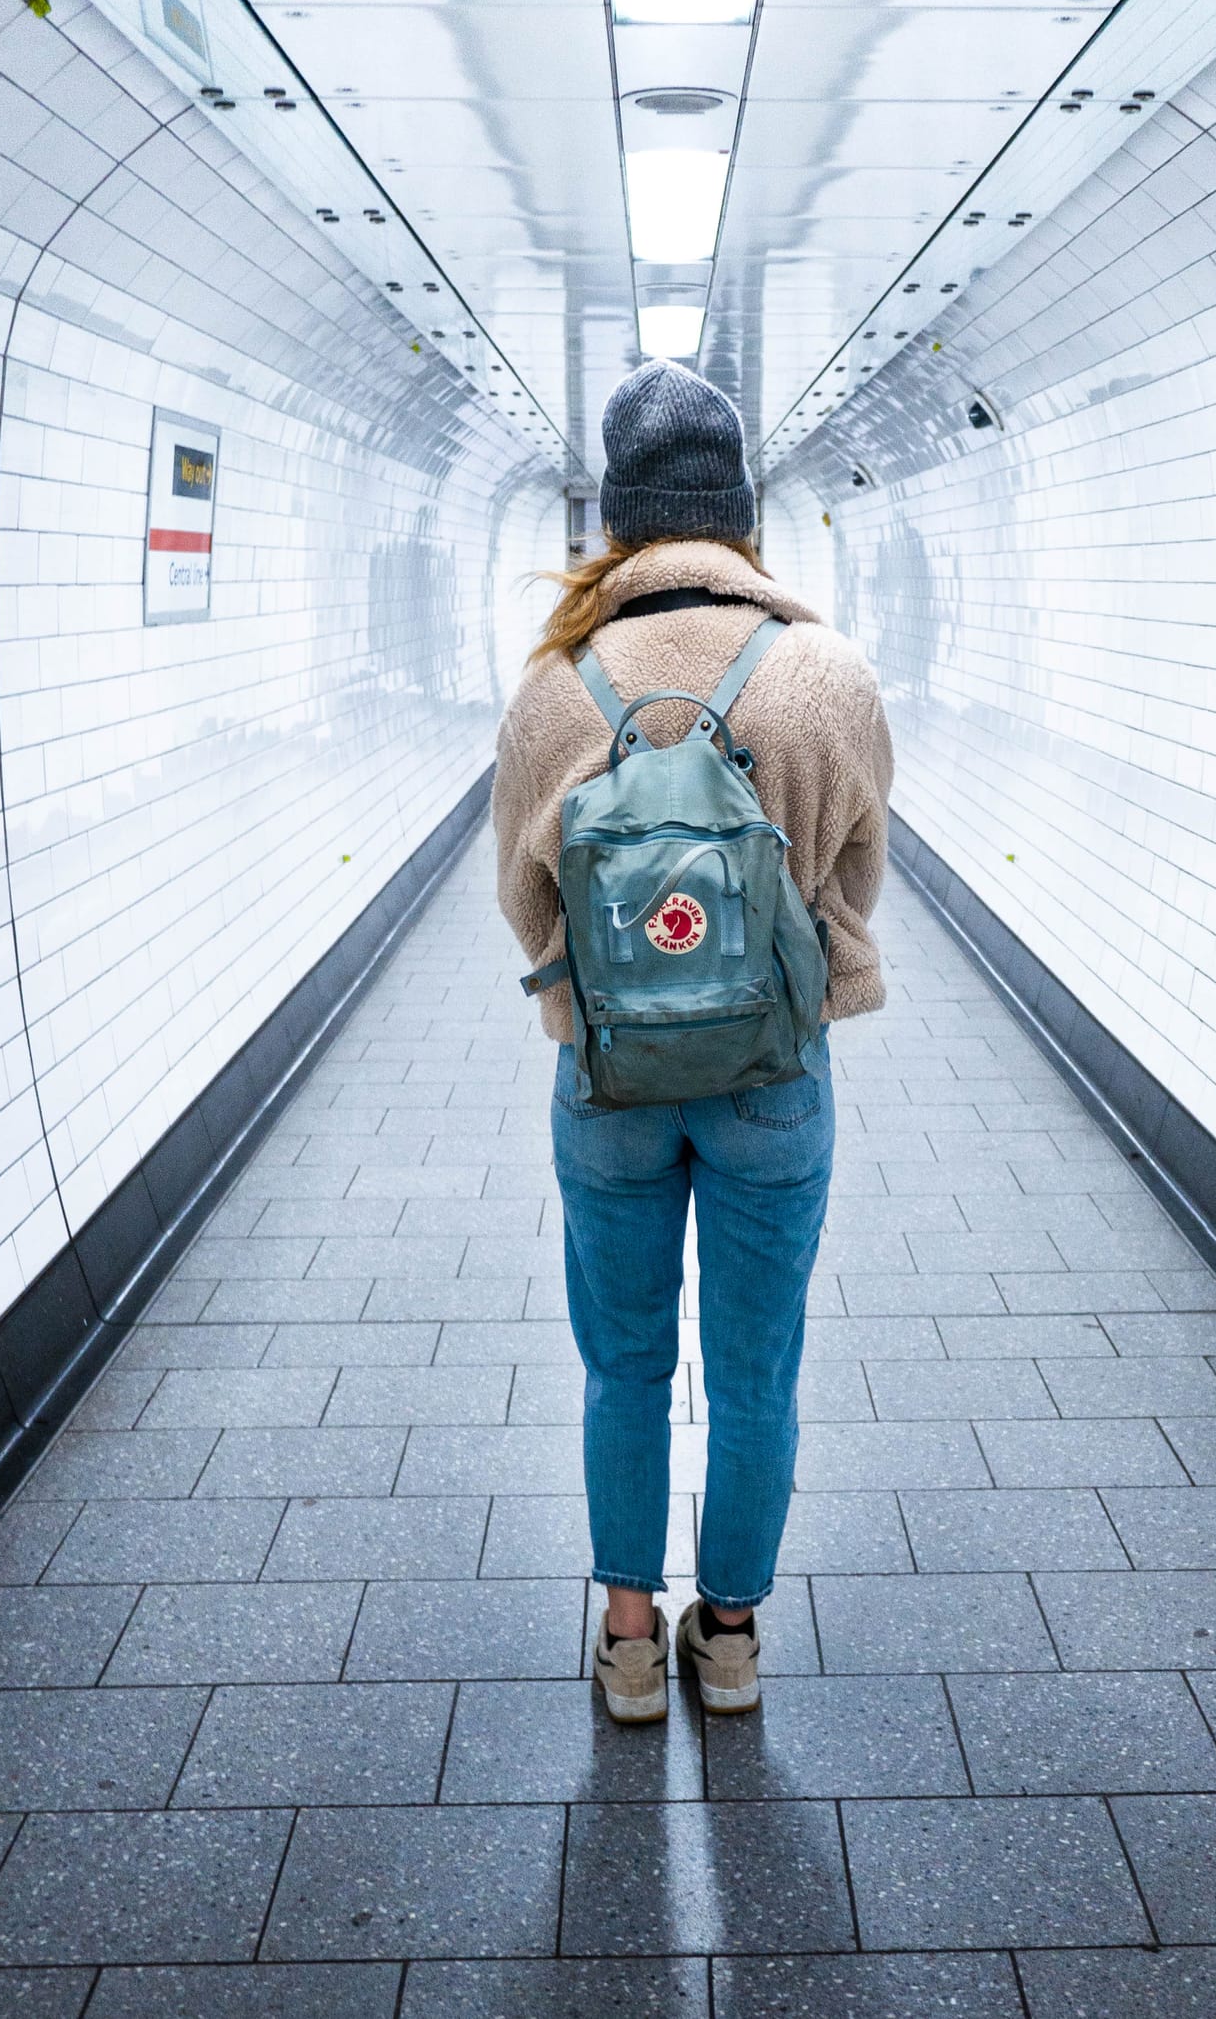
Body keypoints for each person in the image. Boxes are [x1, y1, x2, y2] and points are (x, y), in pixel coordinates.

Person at [493, 362, 893, 1719]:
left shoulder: (558, 688)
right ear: (741, 509)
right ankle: (726, 1642)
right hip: (776, 1078)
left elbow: (522, 897)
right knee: (755, 1367)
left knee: (624, 1363)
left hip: (606, 1083)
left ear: (616, 514)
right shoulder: (825, 675)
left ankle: (624, 1643)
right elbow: (851, 881)